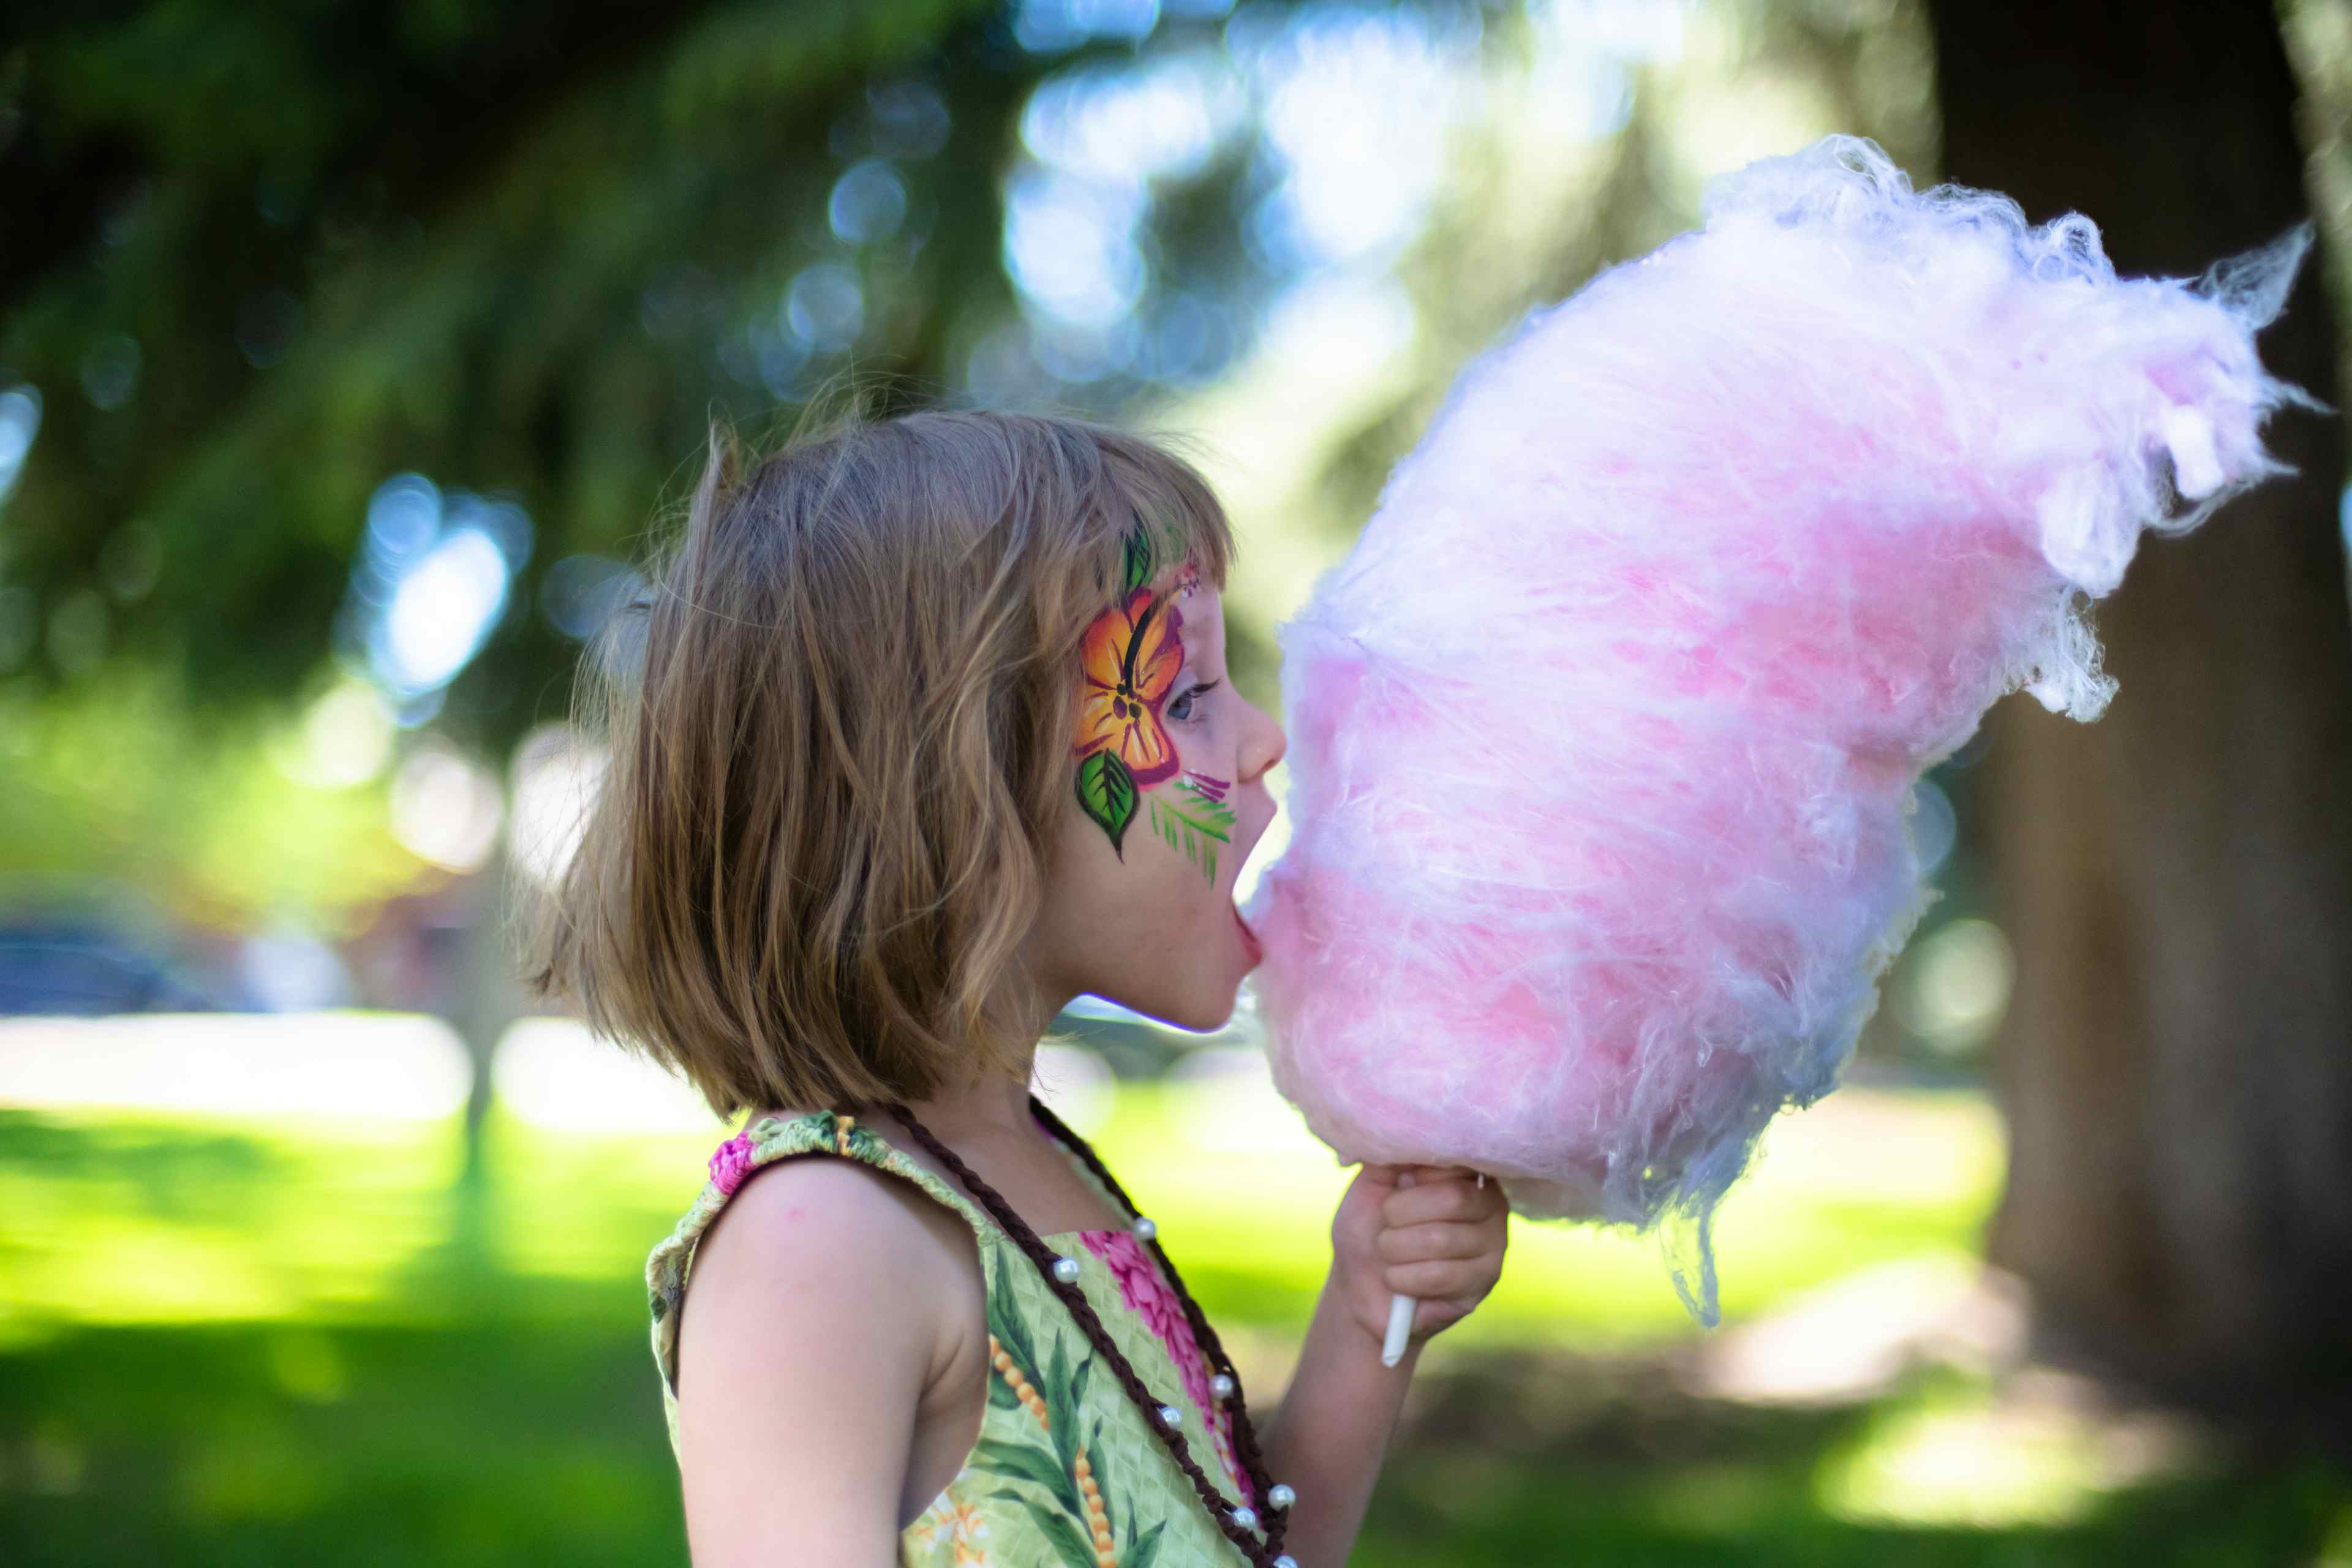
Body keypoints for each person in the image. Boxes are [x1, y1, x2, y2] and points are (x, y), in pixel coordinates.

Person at [525, 404, 1509, 1567]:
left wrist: (1365, 1321)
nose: (1261, 740)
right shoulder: (820, 1242)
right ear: (957, 800)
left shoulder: (1030, 1171)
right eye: (1185, 696)